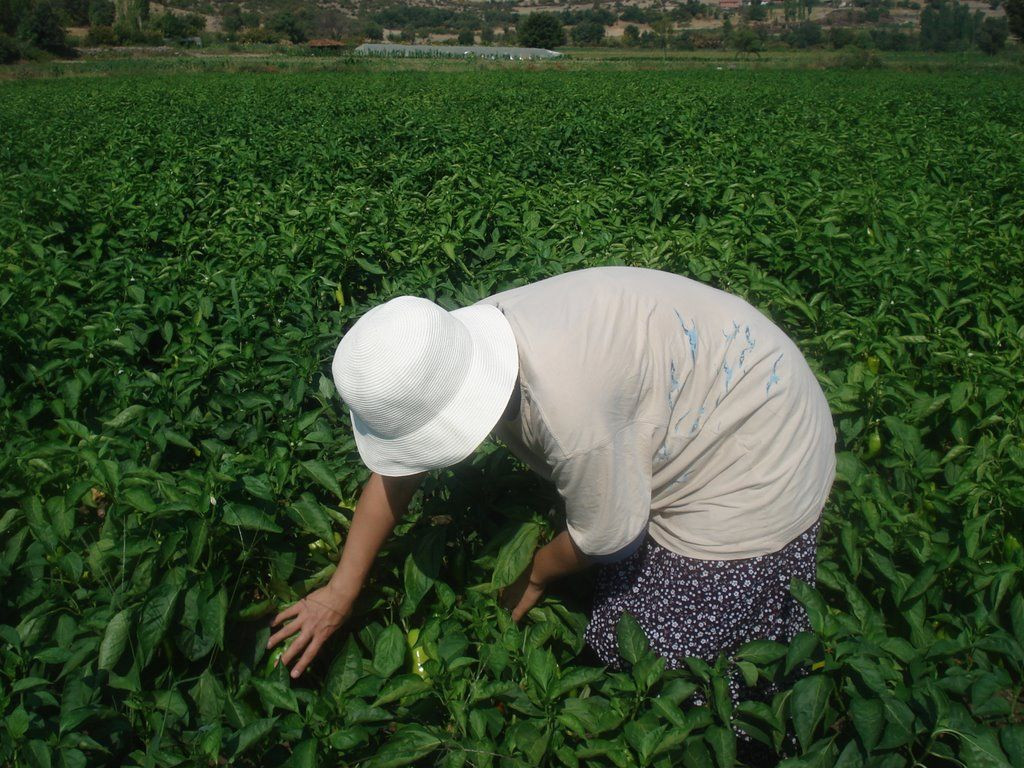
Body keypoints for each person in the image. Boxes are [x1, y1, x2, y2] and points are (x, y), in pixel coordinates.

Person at [266, 266, 836, 692]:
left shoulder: (569, 420)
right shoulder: (459, 346)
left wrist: (534, 574)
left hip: (759, 440)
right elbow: (398, 473)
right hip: (721, 359)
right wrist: (341, 589)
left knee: (657, 660)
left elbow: (607, 536)